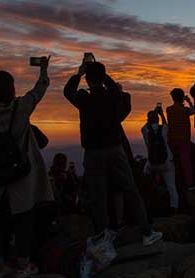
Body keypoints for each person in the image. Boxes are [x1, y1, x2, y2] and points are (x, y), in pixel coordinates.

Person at [0, 58, 53, 276]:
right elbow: (40, 89)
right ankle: (23, 264)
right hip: (21, 175)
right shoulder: (21, 108)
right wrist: (44, 69)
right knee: (24, 219)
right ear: (10, 90)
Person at [64, 60, 162, 245]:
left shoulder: (84, 99)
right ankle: (147, 232)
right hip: (115, 149)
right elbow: (117, 91)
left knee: (98, 195)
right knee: (130, 189)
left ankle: (103, 238)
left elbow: (68, 92)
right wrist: (103, 75)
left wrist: (79, 73)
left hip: (93, 152)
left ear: (87, 79)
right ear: (103, 77)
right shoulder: (112, 96)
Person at [142, 108, 179, 214]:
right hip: (167, 162)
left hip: (152, 164)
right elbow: (165, 124)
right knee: (171, 186)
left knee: (145, 175)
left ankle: (147, 204)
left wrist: (152, 115)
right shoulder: (163, 128)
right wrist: (161, 114)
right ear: (157, 120)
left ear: (148, 120)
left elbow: (146, 125)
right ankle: (174, 207)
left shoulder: (145, 130)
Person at [166, 88, 195, 189]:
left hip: (172, 140)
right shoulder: (185, 110)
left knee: (173, 163)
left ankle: (174, 182)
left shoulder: (168, 110)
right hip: (184, 140)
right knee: (186, 163)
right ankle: (189, 183)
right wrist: (189, 101)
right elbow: (193, 110)